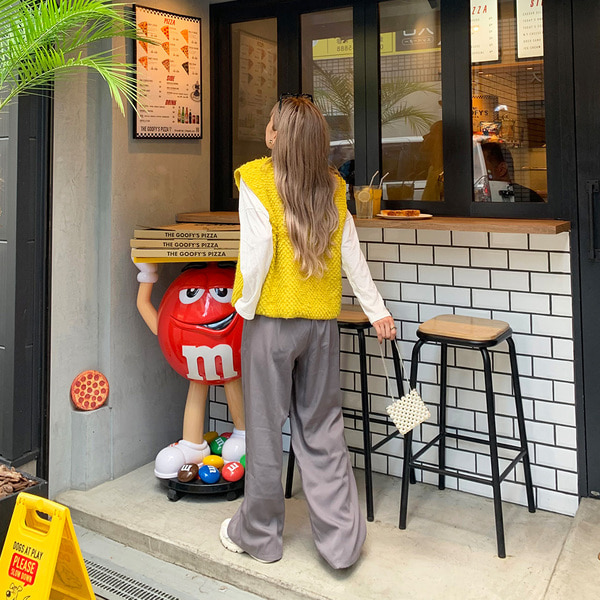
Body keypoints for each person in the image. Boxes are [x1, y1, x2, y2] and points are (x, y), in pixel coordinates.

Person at [218, 95, 396, 569]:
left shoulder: (255, 178)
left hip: (271, 324)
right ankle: (342, 545)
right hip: (320, 326)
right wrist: (376, 311)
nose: (267, 129)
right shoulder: (334, 185)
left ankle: (259, 536)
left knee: (263, 430)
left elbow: (257, 251)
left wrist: (243, 306)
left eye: (270, 123)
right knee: (322, 429)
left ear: (277, 136)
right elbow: (351, 252)